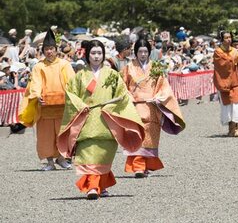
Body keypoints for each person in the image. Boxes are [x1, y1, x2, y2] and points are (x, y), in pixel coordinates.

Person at [57, 40, 144, 199]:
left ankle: (100, 184)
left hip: (106, 121)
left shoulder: (111, 75)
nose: (96, 56)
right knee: (88, 156)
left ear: (103, 55)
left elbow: (122, 95)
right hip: (86, 120)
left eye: (99, 53)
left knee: (103, 156)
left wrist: (111, 106)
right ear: (87, 55)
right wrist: (81, 105)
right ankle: (92, 187)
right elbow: (70, 96)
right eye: (93, 53)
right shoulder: (80, 76)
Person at [121, 37, 185, 178]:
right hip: (135, 106)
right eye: (140, 51)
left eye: (145, 51)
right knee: (136, 135)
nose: (143, 54)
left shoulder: (155, 67)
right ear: (135, 52)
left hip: (152, 106)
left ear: (149, 52)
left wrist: (159, 97)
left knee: (150, 136)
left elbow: (164, 85)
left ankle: (146, 165)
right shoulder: (128, 67)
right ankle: (138, 166)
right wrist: (130, 98)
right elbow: (123, 86)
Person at [18, 28, 76, 170]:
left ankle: (61, 158)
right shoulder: (39, 66)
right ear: (43, 51)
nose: (49, 52)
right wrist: (37, 96)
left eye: (51, 49)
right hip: (45, 106)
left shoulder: (64, 65)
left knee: (62, 134)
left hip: (62, 106)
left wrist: (70, 95)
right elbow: (35, 83)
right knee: (45, 136)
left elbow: (72, 82)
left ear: (56, 50)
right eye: (46, 49)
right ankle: (50, 162)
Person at [213, 31, 238, 137]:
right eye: (226, 38)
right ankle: (231, 127)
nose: (229, 39)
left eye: (230, 37)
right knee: (228, 105)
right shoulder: (218, 52)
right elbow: (223, 65)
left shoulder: (234, 50)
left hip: (235, 80)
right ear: (222, 40)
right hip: (224, 81)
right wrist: (235, 55)